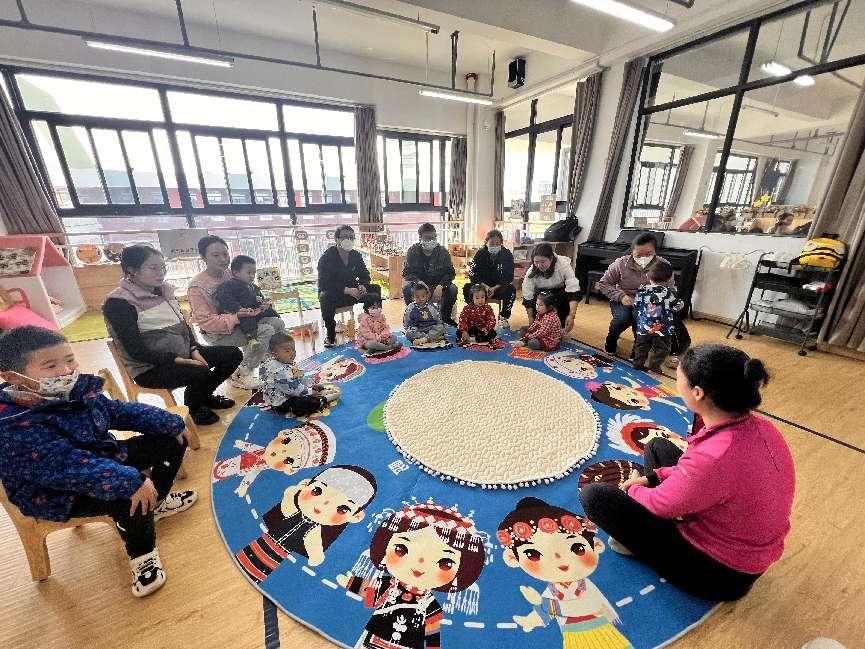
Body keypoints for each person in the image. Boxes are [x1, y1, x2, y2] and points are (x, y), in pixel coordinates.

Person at [580, 344, 795, 601]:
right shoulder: (762, 428)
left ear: (697, 392)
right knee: (657, 446)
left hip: (722, 574)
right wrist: (655, 477)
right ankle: (651, 527)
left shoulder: (714, 455)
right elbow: (701, 475)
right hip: (741, 544)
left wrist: (634, 489)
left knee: (595, 496)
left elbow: (663, 504)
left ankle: (641, 542)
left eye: (679, 377)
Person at [0, 326, 198, 597]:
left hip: (102, 458)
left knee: (172, 438)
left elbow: (118, 411)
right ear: (13, 377)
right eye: (50, 365)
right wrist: (127, 480)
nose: (66, 371)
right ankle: (142, 554)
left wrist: (168, 421)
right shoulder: (12, 422)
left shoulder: (75, 390)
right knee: (127, 492)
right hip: (54, 491)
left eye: (70, 359)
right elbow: (65, 466)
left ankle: (157, 503)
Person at [103, 245, 241, 426]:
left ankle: (204, 396)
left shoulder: (164, 290)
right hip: (150, 367)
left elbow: (183, 326)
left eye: (163, 267)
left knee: (233, 354)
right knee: (200, 371)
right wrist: (180, 360)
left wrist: (193, 349)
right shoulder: (119, 302)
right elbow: (136, 351)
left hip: (183, 353)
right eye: (153, 268)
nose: (161, 273)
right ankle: (193, 408)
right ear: (132, 270)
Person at [188, 235, 286, 389]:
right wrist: (237, 316)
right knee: (265, 330)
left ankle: (271, 363)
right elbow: (206, 323)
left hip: (245, 321)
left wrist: (260, 302)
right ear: (203, 257)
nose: (222, 259)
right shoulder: (197, 287)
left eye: (225, 254)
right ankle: (243, 372)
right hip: (218, 333)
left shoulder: (230, 273)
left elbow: (249, 292)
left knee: (277, 323)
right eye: (215, 255)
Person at [596, 232, 691, 364]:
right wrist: (621, 296)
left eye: (648, 254)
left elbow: (669, 290)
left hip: (650, 303)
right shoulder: (620, 263)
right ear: (632, 252)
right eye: (639, 255)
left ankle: (638, 350)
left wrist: (667, 306)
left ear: (655, 251)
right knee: (621, 318)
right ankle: (610, 341)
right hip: (624, 299)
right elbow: (603, 284)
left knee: (642, 318)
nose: (644, 258)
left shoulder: (663, 265)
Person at [317, 225, 382, 348]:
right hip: (336, 293)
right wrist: (347, 290)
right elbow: (324, 284)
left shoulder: (355, 255)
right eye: (345, 237)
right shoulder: (326, 258)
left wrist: (362, 285)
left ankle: (373, 325)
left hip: (354, 291)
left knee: (376, 289)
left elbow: (365, 275)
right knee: (325, 297)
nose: (349, 240)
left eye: (352, 237)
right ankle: (330, 335)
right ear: (336, 239)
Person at [259, 333, 339, 417]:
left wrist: (312, 385)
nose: (292, 353)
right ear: (275, 354)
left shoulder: (288, 362)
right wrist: (310, 392)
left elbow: (299, 376)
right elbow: (293, 389)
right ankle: (322, 400)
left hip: (291, 391)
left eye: (293, 350)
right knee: (301, 405)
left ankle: (316, 395)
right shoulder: (279, 371)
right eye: (287, 351)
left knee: (305, 393)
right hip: (280, 401)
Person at [215, 254, 280, 347]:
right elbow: (226, 299)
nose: (252, 276)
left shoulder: (253, 286)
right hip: (243, 313)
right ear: (236, 273)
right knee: (247, 319)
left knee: (270, 310)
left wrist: (263, 302)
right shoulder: (230, 285)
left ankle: (278, 321)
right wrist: (238, 309)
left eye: (254, 273)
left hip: (254, 310)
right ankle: (251, 338)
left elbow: (259, 297)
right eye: (249, 273)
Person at [632, 260, 684, 372]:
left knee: (641, 346)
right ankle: (654, 365)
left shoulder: (642, 291)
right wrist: (675, 308)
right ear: (669, 279)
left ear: (648, 276)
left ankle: (638, 364)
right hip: (663, 329)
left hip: (644, 327)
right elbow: (677, 306)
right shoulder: (670, 293)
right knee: (662, 348)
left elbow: (636, 305)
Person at [402, 223, 458, 327]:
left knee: (452, 289)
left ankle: (445, 318)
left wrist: (441, 286)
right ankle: (414, 319)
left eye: (434, 237)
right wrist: (419, 282)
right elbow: (406, 272)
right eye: (428, 238)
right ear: (420, 238)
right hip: (419, 285)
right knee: (407, 289)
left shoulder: (443, 252)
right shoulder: (412, 251)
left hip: (438, 285)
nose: (431, 240)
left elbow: (450, 273)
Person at [520, 243, 579, 333]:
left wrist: (571, 315)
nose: (539, 265)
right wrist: (531, 319)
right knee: (539, 305)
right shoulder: (531, 272)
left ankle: (559, 326)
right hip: (541, 294)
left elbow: (573, 291)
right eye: (536, 262)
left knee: (560, 320)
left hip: (560, 293)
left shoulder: (563, 265)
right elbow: (528, 298)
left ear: (551, 259)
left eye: (543, 262)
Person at [465, 229, 516, 328]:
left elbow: (509, 276)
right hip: (482, 287)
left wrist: (495, 287)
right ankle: (474, 315)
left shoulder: (507, 254)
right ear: (486, 242)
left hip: (498, 287)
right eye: (492, 243)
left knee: (511, 289)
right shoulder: (480, 254)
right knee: (467, 288)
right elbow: (472, 274)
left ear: (501, 243)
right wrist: (485, 286)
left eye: (497, 243)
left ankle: (503, 317)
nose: (495, 246)